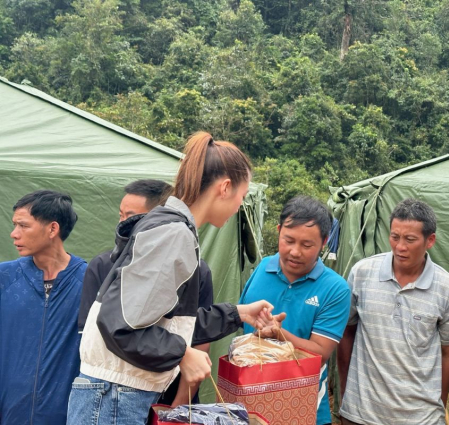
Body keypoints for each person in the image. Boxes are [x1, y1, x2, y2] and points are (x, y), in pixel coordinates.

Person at [67, 132, 273, 425]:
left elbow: (162, 322)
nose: (240, 205)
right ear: (225, 187)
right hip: (116, 396)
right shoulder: (173, 232)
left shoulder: (171, 227)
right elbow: (120, 326)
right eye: (242, 196)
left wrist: (238, 314)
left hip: (115, 394)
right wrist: (183, 354)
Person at [76, 179, 214, 410]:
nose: (123, 223)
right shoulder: (103, 265)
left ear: (157, 219)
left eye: (130, 216)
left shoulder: (196, 268)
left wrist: (177, 407)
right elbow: (100, 335)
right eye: (120, 215)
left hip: (170, 392)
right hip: (117, 393)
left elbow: (197, 337)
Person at [337, 198, 449, 425]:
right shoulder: (362, 273)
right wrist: (347, 392)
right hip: (361, 413)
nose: (400, 247)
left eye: (410, 239)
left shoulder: (448, 288)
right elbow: (347, 332)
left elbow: (447, 352)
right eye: (395, 237)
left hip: (420, 418)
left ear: (430, 240)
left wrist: (438, 406)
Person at [239, 195, 351, 425]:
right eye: (288, 240)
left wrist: (281, 334)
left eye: (307, 245)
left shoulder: (335, 288)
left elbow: (320, 354)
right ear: (279, 231)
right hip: (247, 405)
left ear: (324, 241)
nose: (295, 252)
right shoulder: (261, 269)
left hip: (302, 410)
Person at [0, 190, 87, 424]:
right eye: (14, 225)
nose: (14, 234)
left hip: (67, 414)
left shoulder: (90, 281)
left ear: (52, 229)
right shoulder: (5, 277)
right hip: (8, 412)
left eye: (23, 226)